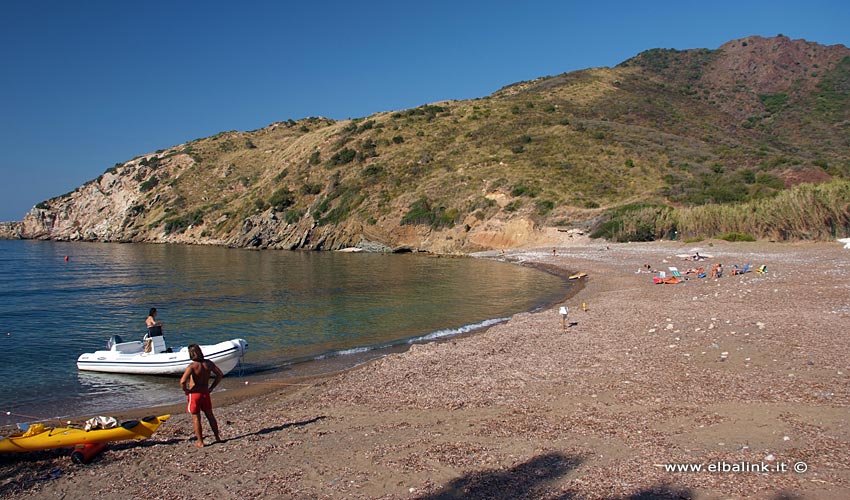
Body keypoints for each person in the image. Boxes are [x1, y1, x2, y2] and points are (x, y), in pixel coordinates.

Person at [180, 344, 224, 447]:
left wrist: (186, 390)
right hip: (205, 392)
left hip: (195, 394)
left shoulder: (192, 366)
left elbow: (182, 381)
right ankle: (217, 437)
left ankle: (200, 442)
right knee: (210, 416)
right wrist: (212, 387)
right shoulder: (208, 364)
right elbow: (219, 374)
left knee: (196, 418)